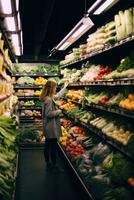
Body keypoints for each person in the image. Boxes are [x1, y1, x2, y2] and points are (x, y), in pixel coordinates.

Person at [39, 80, 67, 171]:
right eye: (55, 87)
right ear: (51, 89)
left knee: (48, 145)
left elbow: (58, 95)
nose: (56, 89)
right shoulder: (49, 100)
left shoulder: (47, 97)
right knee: (53, 146)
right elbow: (49, 114)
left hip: (48, 126)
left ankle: (48, 163)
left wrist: (65, 87)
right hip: (51, 127)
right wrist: (59, 111)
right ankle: (54, 165)